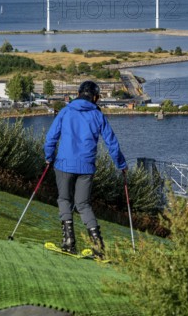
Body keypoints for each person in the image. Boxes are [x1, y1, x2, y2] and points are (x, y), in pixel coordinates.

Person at [44, 81, 128, 257]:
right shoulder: (98, 115)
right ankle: (98, 247)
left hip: (64, 164)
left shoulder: (66, 111)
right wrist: (121, 165)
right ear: (95, 97)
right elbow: (111, 142)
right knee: (83, 204)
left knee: (64, 200)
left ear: (79, 93)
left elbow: (51, 137)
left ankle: (68, 242)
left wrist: (48, 156)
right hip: (86, 167)